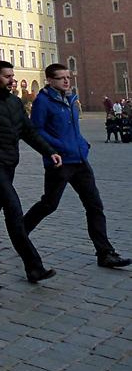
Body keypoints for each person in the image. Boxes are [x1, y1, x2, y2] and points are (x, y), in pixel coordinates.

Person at [24, 64, 131, 269]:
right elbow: (36, 130)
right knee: (49, 204)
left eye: (68, 77)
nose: (66, 81)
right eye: (61, 78)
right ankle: (20, 232)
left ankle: (105, 253)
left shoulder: (71, 99)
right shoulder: (43, 101)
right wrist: (58, 148)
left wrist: (82, 143)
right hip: (60, 162)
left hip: (80, 160)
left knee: (94, 205)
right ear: (50, 80)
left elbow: (74, 128)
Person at [0, 61, 62, 283]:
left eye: (12, 76)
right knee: (14, 210)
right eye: (7, 76)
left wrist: (49, 151)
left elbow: (28, 132)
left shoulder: (15, 102)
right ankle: (33, 266)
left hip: (9, 164)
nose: (12, 80)